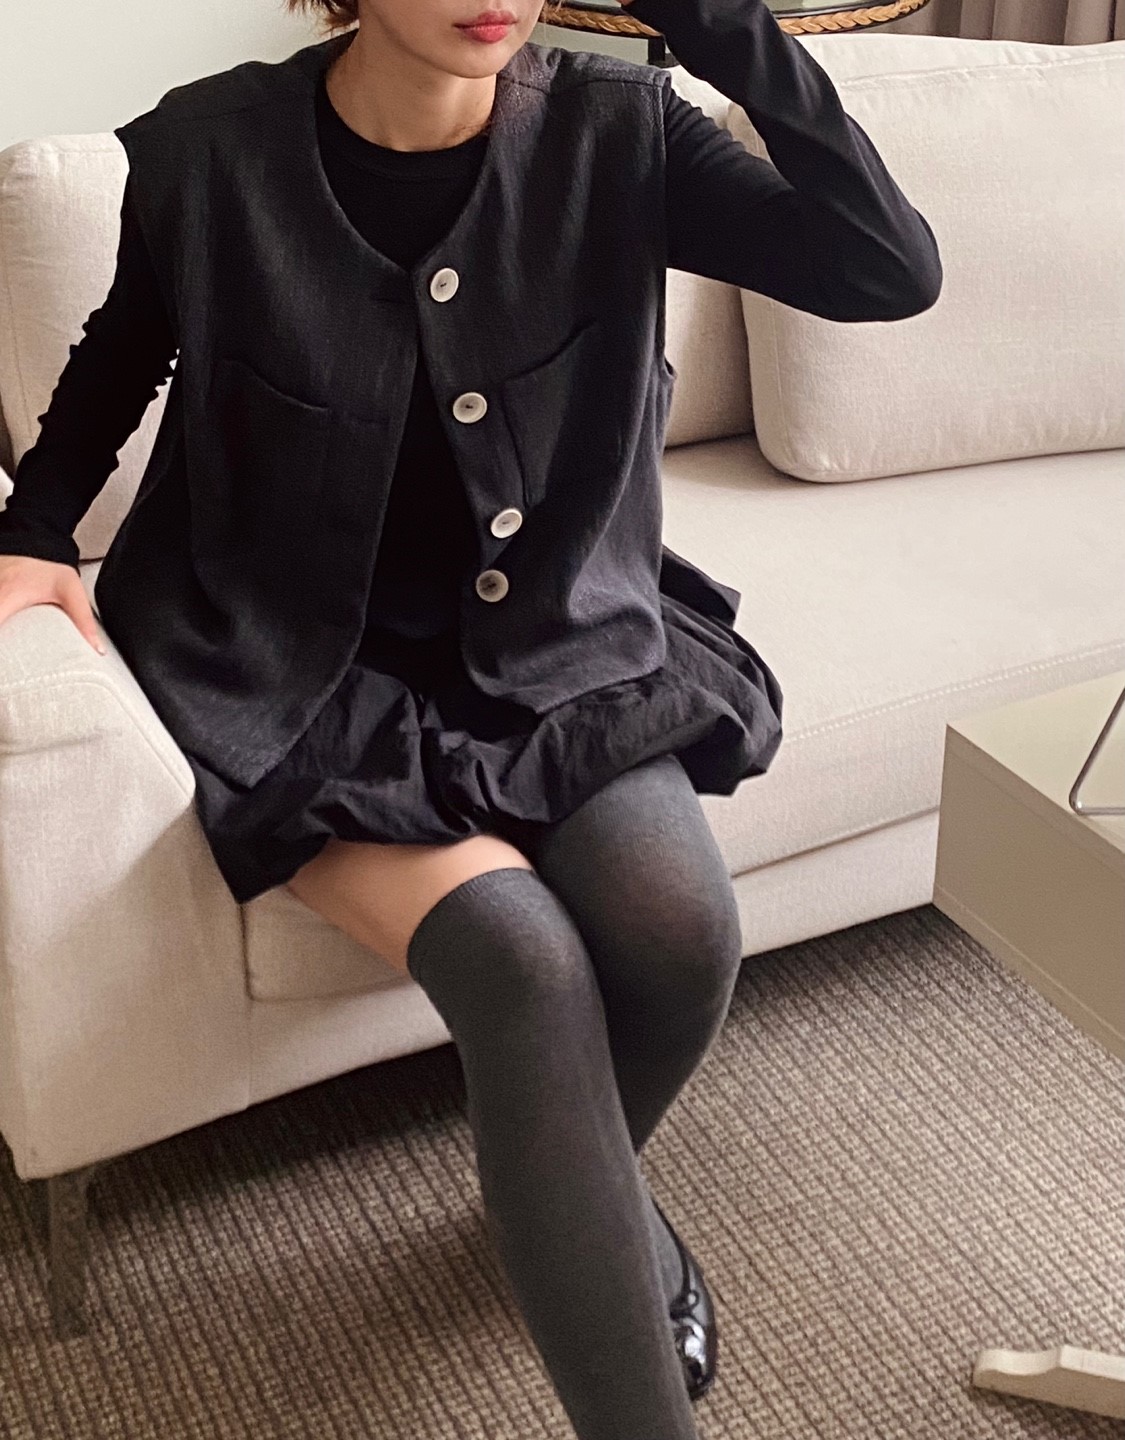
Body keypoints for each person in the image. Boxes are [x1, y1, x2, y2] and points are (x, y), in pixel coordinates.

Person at [0, 1, 941, 1434]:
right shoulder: (212, 152)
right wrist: (34, 529)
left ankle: (570, 1208)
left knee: (682, 933)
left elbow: (886, 269)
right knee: (521, 966)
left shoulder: (622, 134)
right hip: (295, 667)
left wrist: (721, 25)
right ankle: (601, 1276)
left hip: (555, 643)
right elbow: (126, 350)